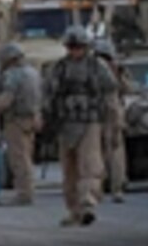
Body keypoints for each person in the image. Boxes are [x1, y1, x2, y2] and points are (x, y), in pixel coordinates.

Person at [45, 26, 116, 226]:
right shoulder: (59, 68)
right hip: (66, 122)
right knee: (69, 170)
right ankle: (73, 210)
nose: (75, 51)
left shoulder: (97, 66)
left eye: (79, 47)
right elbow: (49, 93)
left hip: (90, 121)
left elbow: (110, 88)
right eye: (72, 47)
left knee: (90, 165)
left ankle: (87, 204)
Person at [0, 42, 42, 205]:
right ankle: (29, 190)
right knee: (27, 157)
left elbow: (7, 99)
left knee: (19, 159)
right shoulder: (33, 73)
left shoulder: (13, 75)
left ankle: (24, 194)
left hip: (16, 120)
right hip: (32, 118)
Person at [95, 38, 129, 203]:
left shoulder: (92, 66)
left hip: (97, 114)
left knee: (97, 152)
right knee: (116, 151)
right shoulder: (114, 68)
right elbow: (127, 88)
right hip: (114, 112)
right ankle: (117, 188)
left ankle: (99, 188)